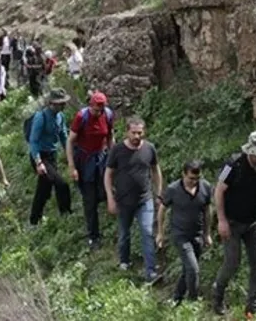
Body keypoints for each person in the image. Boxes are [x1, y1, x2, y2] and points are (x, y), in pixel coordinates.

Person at [212, 131, 256, 316]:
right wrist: (221, 220)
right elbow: (219, 191)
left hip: (255, 222)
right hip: (232, 222)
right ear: (249, 151)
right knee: (232, 263)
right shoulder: (233, 165)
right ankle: (218, 294)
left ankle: (253, 306)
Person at [105, 117, 163, 283]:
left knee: (147, 232)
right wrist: (110, 197)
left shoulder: (149, 148)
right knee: (124, 234)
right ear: (127, 132)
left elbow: (155, 170)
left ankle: (151, 271)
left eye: (140, 132)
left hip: (145, 199)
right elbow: (108, 174)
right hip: (123, 201)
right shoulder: (117, 150)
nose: (137, 136)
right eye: (134, 132)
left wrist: (159, 192)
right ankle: (124, 261)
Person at [158, 160, 213, 305]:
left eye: (197, 178)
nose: (194, 182)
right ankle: (193, 302)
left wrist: (207, 234)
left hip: (198, 234)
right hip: (180, 234)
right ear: (183, 174)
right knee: (193, 269)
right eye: (191, 178)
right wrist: (160, 233)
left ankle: (177, 298)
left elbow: (207, 211)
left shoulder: (205, 187)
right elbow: (162, 209)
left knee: (187, 269)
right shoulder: (173, 189)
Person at [66, 91, 115, 248]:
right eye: (95, 110)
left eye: (100, 110)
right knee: (90, 200)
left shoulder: (107, 115)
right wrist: (72, 166)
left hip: (101, 158)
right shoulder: (82, 117)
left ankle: (112, 219)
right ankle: (93, 236)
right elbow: (70, 141)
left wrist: (114, 157)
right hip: (84, 160)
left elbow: (110, 136)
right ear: (90, 106)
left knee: (104, 192)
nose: (98, 113)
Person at [28, 89, 73, 226]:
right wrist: (39, 162)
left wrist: (69, 154)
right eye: (60, 104)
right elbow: (33, 140)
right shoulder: (40, 117)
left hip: (52, 155)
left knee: (44, 189)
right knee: (61, 184)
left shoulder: (60, 116)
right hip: (40, 156)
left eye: (64, 103)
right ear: (52, 103)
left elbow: (64, 136)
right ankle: (66, 213)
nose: (63, 106)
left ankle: (34, 221)